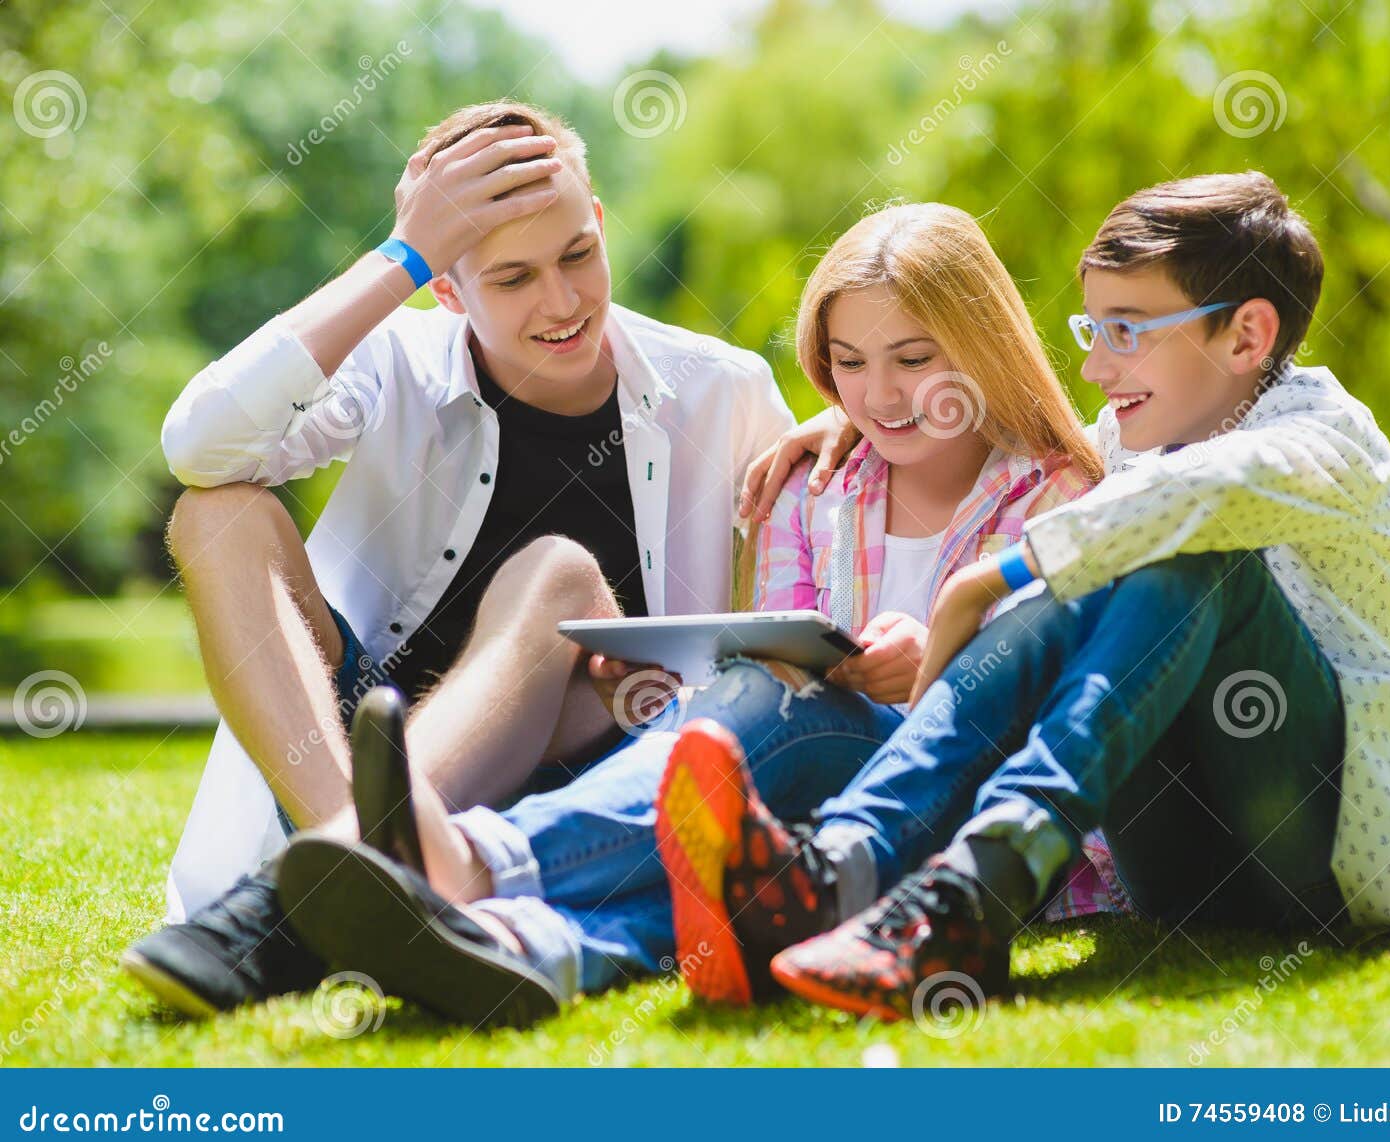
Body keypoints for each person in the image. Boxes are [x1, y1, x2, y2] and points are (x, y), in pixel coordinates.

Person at [659, 171, 1390, 1021]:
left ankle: (966, 896)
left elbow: (1202, 493)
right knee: (1104, 576)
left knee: (1189, 560)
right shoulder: (1131, 446)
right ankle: (838, 872)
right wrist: (852, 413)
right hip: (1179, 874)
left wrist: (987, 579)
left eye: (1127, 332)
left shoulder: (1328, 437)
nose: (1095, 366)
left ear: (1247, 336)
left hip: (1329, 860)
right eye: (1095, 329)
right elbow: (1005, 429)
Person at [271, 201, 1107, 1027]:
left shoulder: (1064, 495)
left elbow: (1068, 717)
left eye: (914, 358)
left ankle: (478, 856)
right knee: (745, 753)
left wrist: (935, 664)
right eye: (849, 362)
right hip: (798, 825)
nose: (879, 394)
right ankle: (528, 941)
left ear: (982, 344)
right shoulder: (811, 492)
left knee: (785, 705)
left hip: (948, 816)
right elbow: (780, 651)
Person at [122, 99, 853, 1017]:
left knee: (559, 573)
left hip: (581, 759)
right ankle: (353, 857)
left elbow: (820, 576)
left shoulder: (722, 389)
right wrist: (399, 254)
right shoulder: (395, 357)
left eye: (578, 256)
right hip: (357, 749)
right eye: (512, 278)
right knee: (214, 514)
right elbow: (200, 446)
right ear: (448, 288)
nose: (562, 302)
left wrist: (861, 430)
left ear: (599, 228)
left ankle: (308, 902)